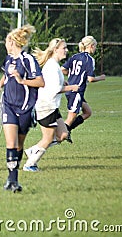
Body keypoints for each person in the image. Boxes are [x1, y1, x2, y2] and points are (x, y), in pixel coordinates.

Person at [0, 24, 44, 192]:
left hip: (26, 107)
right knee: (11, 142)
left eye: (6, 42)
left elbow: (40, 82)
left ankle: (13, 177)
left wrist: (22, 81)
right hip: (8, 104)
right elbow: (6, 75)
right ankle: (12, 181)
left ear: (12, 42)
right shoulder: (8, 60)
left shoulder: (27, 59)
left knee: (19, 145)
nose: (5, 45)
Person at [23, 38, 80, 172]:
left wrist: (64, 83)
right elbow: (54, 89)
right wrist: (71, 87)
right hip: (45, 107)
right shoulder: (53, 67)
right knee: (48, 139)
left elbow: (53, 84)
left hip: (52, 106)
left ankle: (34, 150)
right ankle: (29, 164)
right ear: (56, 50)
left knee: (63, 134)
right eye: (64, 48)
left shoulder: (53, 65)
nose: (66, 50)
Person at [61, 36, 106, 143]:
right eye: (95, 46)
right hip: (76, 91)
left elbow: (62, 69)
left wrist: (72, 75)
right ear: (91, 46)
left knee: (87, 112)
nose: (95, 49)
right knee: (71, 117)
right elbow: (90, 79)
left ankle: (67, 131)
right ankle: (58, 135)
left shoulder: (75, 56)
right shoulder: (89, 60)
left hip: (71, 89)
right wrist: (101, 78)